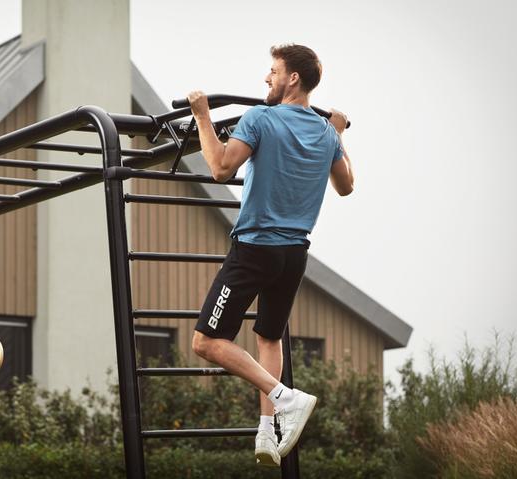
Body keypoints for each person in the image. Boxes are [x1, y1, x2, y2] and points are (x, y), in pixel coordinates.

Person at [187, 43, 353, 467]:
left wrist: (202, 115)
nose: (267, 78)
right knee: (268, 337)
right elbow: (346, 185)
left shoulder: (259, 118)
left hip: (256, 248)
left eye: (273, 71)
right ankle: (267, 432)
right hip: (294, 255)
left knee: (206, 342)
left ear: (292, 78)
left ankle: (285, 398)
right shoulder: (324, 133)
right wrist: (337, 133)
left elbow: (221, 167)